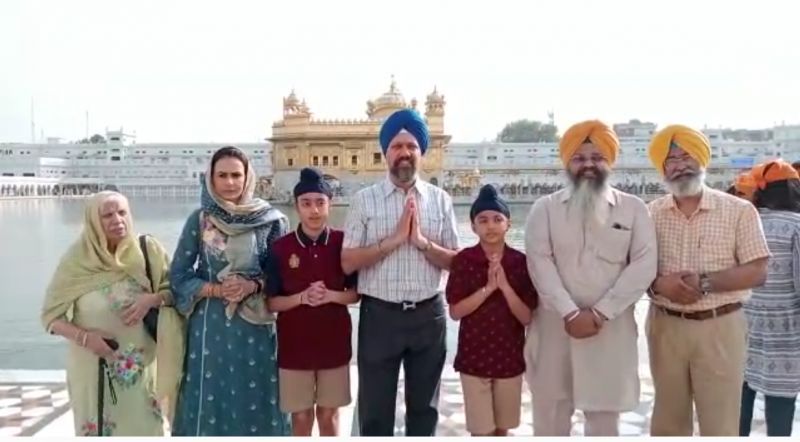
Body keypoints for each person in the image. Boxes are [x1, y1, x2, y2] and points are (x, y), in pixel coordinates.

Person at [524, 120, 658, 436]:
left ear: (609, 161)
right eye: (579, 158)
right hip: (555, 328)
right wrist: (570, 312)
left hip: (608, 330)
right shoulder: (544, 209)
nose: (588, 165)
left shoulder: (634, 208)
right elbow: (539, 264)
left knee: (604, 421)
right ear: (567, 163)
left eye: (596, 157)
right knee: (551, 418)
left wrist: (599, 313)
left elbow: (643, 265)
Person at [341, 108, 459, 436]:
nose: (404, 153)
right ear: (385, 153)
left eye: (411, 147)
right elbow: (348, 261)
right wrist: (391, 241)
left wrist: (421, 242)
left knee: (424, 411)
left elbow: (456, 263)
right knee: (375, 412)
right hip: (381, 316)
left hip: (428, 315)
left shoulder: (440, 201)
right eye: (397, 146)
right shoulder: (365, 201)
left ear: (421, 153)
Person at [646, 125, 770, 436]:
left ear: (703, 160)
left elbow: (757, 271)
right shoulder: (650, 214)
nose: (680, 164)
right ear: (662, 168)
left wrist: (703, 282)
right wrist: (660, 285)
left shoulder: (739, 210)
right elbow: (633, 269)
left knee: (720, 422)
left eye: (687, 155)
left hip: (720, 326)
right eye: (671, 159)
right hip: (665, 325)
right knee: (667, 422)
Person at [169, 146, 291, 436]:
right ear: (210, 178)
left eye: (236, 175)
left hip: (256, 326)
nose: (230, 182)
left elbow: (282, 275)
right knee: (211, 395)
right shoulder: (200, 220)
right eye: (222, 175)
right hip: (211, 327)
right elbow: (179, 275)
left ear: (248, 177)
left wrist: (252, 285)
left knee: (258, 393)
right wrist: (215, 289)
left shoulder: (271, 220)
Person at [41, 191, 183, 436]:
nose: (117, 220)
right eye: (107, 215)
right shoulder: (77, 261)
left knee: (145, 428)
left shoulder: (147, 251)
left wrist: (151, 299)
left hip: (141, 372)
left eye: (122, 212)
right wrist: (86, 338)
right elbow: (50, 318)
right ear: (94, 222)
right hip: (92, 369)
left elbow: (176, 291)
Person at [266, 167, 359, 436]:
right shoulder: (280, 248)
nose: (314, 210)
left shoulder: (344, 243)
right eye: (306, 203)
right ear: (296, 206)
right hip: (294, 346)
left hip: (334, 343)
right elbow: (272, 303)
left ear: (330, 204)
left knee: (329, 415)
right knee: (302, 416)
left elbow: (355, 294)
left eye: (320, 203)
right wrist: (302, 298)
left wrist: (330, 295)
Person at [446, 184, 537, 436]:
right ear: (473, 226)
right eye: (483, 220)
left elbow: (527, 316)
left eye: (498, 219)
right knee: (481, 431)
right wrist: (487, 288)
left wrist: (505, 286)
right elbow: (455, 312)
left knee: (502, 429)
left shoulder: (520, 263)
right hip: (474, 357)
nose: (491, 225)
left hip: (509, 356)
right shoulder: (464, 261)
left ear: (509, 224)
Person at [739, 159, 800, 437]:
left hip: (743, 320)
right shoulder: (796, 225)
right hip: (786, 328)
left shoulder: (744, 222)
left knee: (739, 393)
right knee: (780, 399)